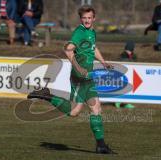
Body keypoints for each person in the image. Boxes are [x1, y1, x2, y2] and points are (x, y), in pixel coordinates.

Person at [27, 5, 114, 154]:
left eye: (89, 18)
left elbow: (94, 48)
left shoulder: (91, 31)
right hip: (79, 77)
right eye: (84, 18)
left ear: (94, 18)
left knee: (96, 108)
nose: (87, 20)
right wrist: (79, 68)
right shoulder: (79, 33)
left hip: (88, 77)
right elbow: (67, 50)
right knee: (74, 112)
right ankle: (47, 95)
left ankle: (101, 145)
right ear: (81, 19)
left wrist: (103, 62)